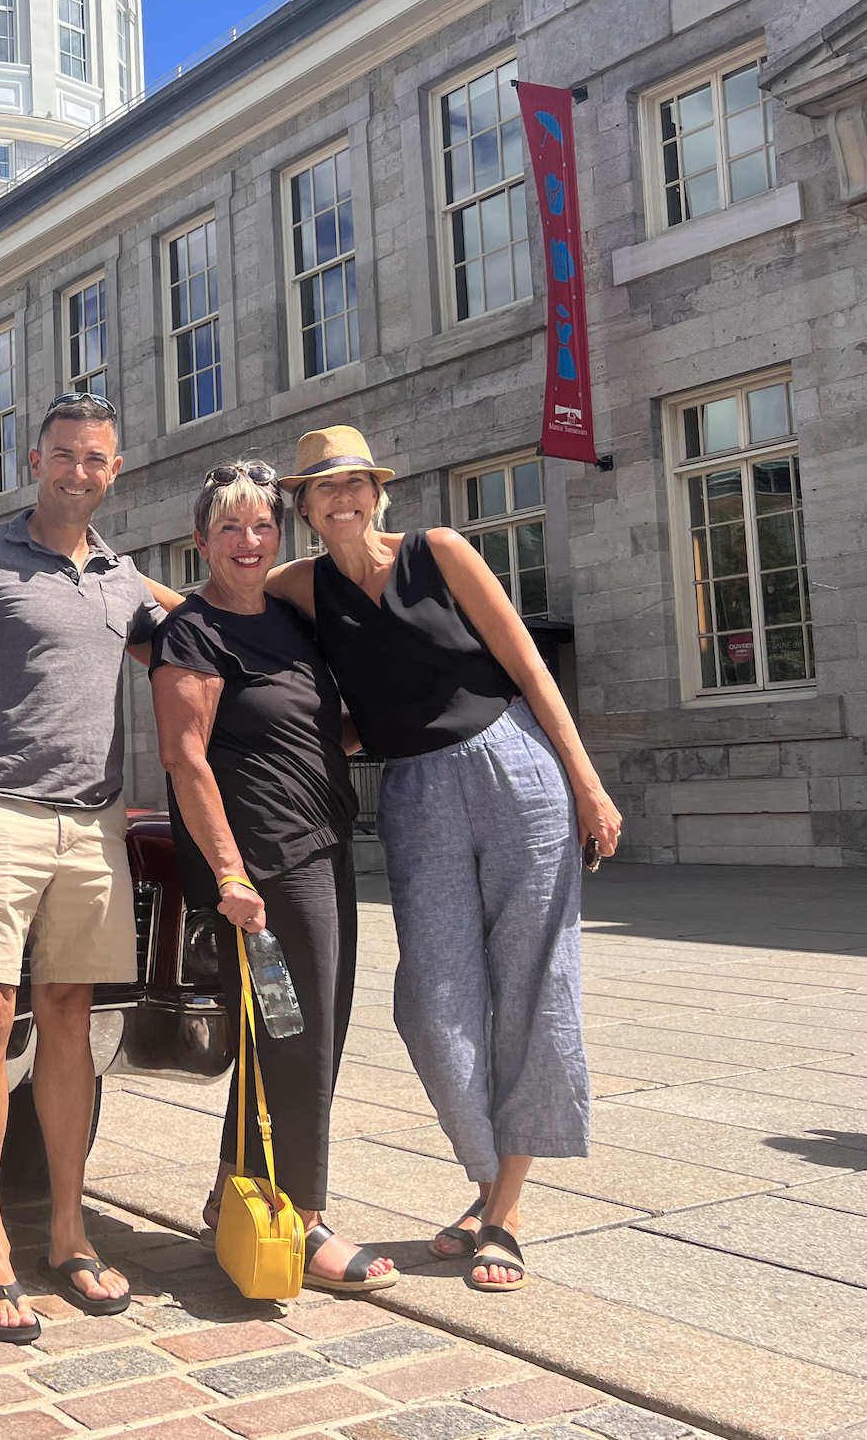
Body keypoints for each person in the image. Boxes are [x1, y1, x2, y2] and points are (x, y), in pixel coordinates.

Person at [268, 426, 622, 1293]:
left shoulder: (441, 551)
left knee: (533, 979)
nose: (342, 498)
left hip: (516, 767)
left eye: (355, 483)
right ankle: (485, 1180)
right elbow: (215, 610)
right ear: (304, 509)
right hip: (415, 795)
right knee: (432, 1001)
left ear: (375, 492)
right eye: (323, 489)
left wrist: (587, 781)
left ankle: (501, 1213)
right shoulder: (297, 587)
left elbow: (528, 665)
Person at [0, 391, 178, 1343]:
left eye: (96, 460)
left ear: (115, 469)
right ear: (35, 458)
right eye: (64, 456)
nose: (78, 473)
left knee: (68, 1019)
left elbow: (216, 634)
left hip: (93, 826)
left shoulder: (124, 580)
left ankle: (68, 1233)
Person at [151, 460, 397, 1293]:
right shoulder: (192, 633)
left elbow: (328, 730)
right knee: (300, 1038)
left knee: (296, 1031)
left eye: (262, 527)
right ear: (201, 539)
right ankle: (306, 1216)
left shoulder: (293, 622)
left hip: (324, 847)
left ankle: (237, 1194)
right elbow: (185, 762)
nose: (250, 542)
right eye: (230, 528)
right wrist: (229, 873)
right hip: (263, 867)